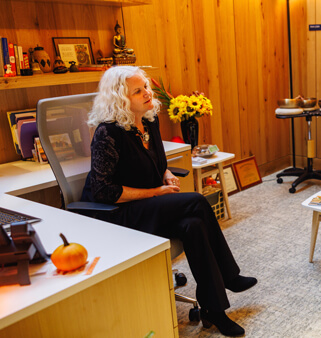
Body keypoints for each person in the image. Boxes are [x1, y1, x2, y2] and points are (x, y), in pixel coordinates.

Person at [81, 66, 255, 336]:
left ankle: (214, 310)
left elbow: (157, 163)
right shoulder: (108, 133)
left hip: (147, 207)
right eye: (138, 91)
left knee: (194, 225)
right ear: (120, 98)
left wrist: (166, 172)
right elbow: (104, 190)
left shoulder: (149, 121)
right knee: (197, 201)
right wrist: (155, 192)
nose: (147, 94)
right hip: (116, 213)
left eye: (146, 87)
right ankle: (229, 276)